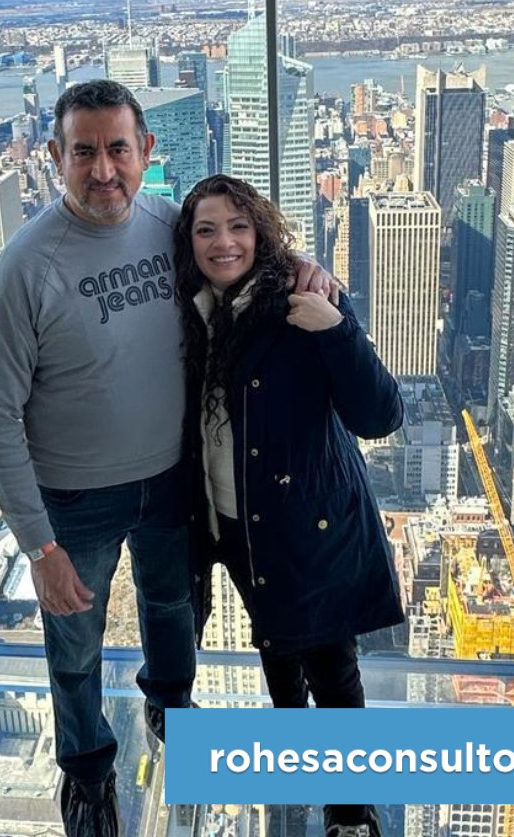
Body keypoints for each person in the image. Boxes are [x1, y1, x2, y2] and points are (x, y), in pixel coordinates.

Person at [0, 80, 332, 837]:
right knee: (75, 642)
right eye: (83, 152)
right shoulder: (25, 266)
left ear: (146, 151)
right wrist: (38, 546)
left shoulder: (169, 225)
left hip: (171, 478)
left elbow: (241, 252)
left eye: (117, 149)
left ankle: (169, 706)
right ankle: (87, 771)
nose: (103, 170)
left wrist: (304, 265)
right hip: (75, 497)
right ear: (54, 158)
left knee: (173, 610)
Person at [175, 174, 405, 837]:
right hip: (230, 527)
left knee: (330, 670)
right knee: (276, 650)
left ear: (261, 233)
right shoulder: (192, 309)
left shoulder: (305, 301)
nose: (223, 242)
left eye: (238, 226)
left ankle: (350, 815)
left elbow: (379, 414)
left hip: (305, 526)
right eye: (206, 230)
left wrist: (337, 329)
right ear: (188, 243)